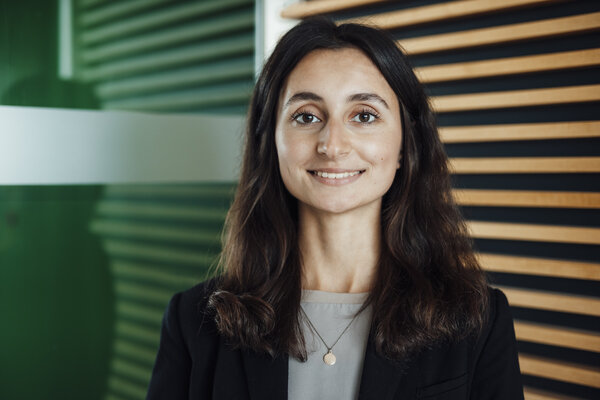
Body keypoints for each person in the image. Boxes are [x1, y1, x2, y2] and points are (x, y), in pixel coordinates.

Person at [147, 17, 524, 400]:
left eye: (364, 115)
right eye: (306, 116)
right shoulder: (193, 321)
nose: (332, 144)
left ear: (404, 147)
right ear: (271, 141)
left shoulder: (478, 320)